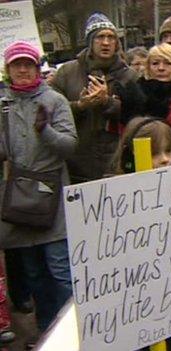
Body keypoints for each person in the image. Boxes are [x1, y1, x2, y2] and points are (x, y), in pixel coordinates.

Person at [0, 41, 77, 340]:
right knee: (33, 275)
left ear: (36, 67)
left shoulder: (55, 101)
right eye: (16, 64)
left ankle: (73, 331)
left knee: (61, 272)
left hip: (51, 198)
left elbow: (70, 146)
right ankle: (48, 334)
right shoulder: (3, 104)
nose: (22, 69)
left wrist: (45, 131)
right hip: (17, 201)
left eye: (27, 64)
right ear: (8, 69)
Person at [110, 117, 171, 351]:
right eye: (155, 153)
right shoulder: (113, 200)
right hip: (137, 310)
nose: (165, 159)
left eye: (169, 151)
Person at [51, 12, 143, 184]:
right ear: (90, 42)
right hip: (76, 165)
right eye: (100, 37)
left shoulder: (130, 76)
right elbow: (51, 111)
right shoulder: (67, 73)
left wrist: (107, 102)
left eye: (111, 37)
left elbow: (138, 116)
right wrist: (80, 105)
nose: (106, 42)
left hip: (117, 165)